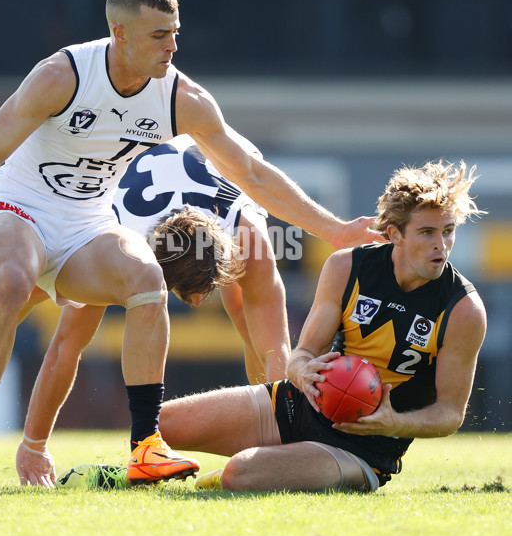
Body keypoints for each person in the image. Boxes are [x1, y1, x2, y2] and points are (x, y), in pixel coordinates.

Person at [0, 0, 376, 491]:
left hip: (89, 221)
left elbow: (252, 172)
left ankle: (145, 447)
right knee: (15, 281)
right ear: (120, 34)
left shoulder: (182, 97)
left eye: (176, 33)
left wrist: (334, 229)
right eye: (159, 35)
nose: (173, 46)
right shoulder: (61, 76)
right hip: (17, 206)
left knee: (146, 279)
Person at [56, 160, 486, 492]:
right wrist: (301, 371)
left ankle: (220, 475)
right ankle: (140, 475)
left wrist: (394, 424)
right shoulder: (345, 266)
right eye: (428, 232)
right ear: (394, 233)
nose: (441, 245)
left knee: (243, 474)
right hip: (296, 403)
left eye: (448, 231)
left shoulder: (463, 309)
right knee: (157, 425)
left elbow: (450, 414)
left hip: (361, 448)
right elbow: (304, 353)